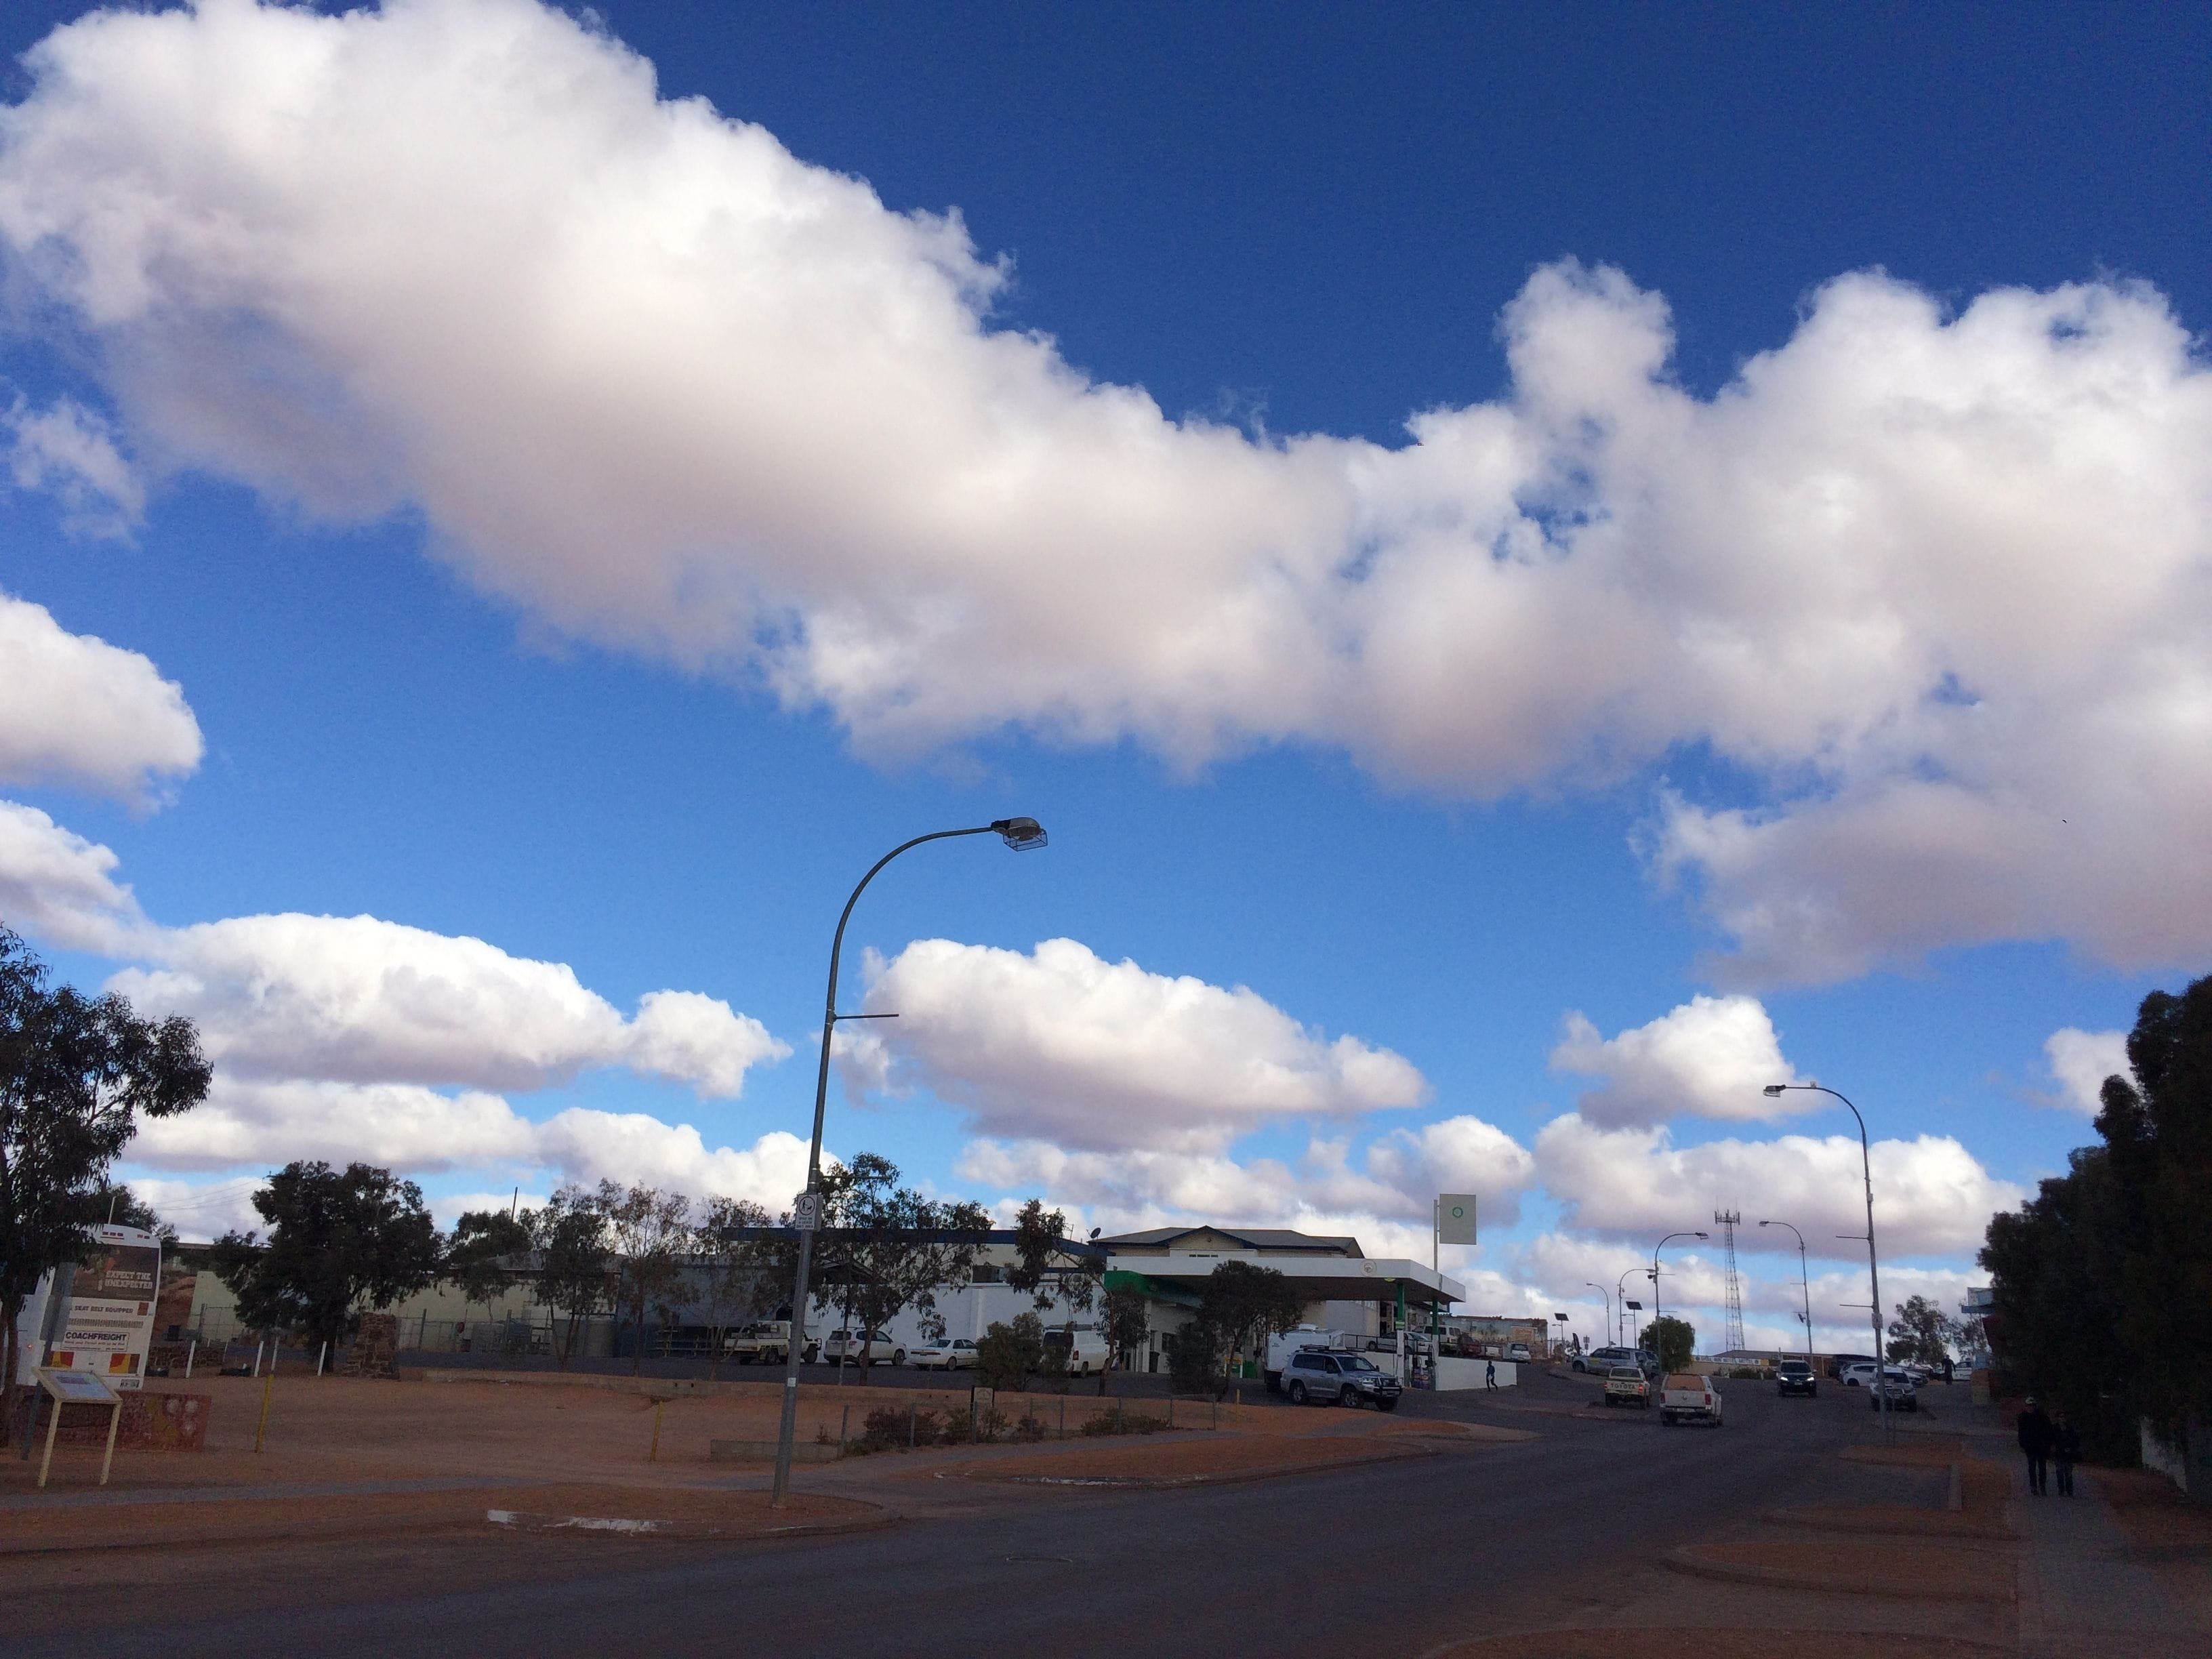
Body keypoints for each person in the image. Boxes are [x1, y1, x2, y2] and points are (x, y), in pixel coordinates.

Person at [2018, 1396, 2053, 1496]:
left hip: (2041, 1446)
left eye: (2032, 1406)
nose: (2030, 1408)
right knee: (2032, 1467)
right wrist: (2023, 1444)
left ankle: (2042, 1486)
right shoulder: (2022, 1417)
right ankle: (2033, 1486)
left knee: (2042, 1467)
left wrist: (2048, 1443)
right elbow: (2021, 1432)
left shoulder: (2042, 1417)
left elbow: (2048, 1431)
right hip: (2030, 1446)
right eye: (2029, 1406)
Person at [2052, 1410, 2080, 1498]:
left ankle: (2069, 1491)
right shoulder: (2054, 1429)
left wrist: (2071, 1449)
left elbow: (2075, 1440)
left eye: (2064, 1417)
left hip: (2069, 1454)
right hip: (2059, 1454)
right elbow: (2052, 1440)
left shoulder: (2070, 1429)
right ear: (2057, 1418)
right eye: (2061, 1417)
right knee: (2059, 1472)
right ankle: (2061, 1490)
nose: (2062, 1419)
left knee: (2068, 1473)